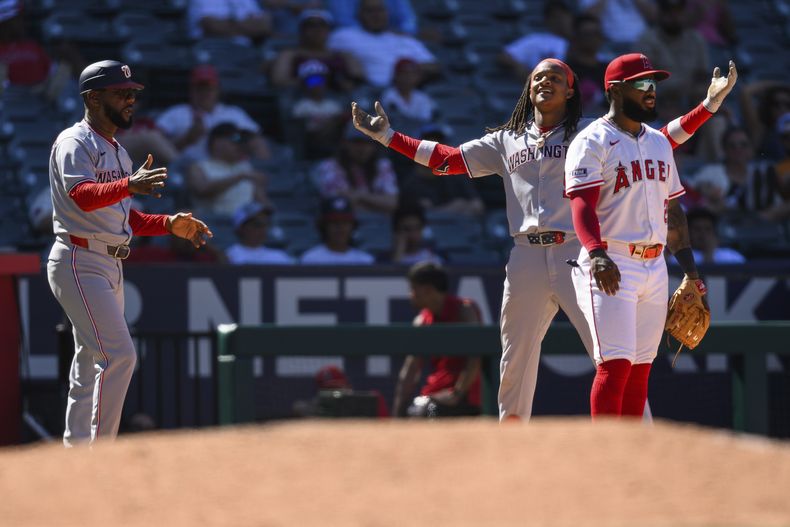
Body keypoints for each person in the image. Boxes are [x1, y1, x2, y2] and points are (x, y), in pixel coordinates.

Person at [351, 55, 737, 420]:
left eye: (555, 77)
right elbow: (447, 160)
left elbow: (661, 139)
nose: (545, 81)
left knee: (617, 356)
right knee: (515, 355)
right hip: (526, 255)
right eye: (538, 76)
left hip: (580, 251)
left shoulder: (592, 131)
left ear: (570, 91)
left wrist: (708, 106)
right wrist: (388, 137)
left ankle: (637, 434)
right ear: (528, 87)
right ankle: (512, 438)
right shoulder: (506, 139)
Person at [47, 60, 213, 446]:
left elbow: (122, 216)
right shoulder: (75, 142)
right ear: (93, 98)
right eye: (121, 93)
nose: (130, 100)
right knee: (119, 356)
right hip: (79, 257)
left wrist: (168, 223)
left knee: (88, 361)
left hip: (108, 260)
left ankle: (78, 452)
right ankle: (100, 452)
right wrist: (128, 185)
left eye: (132, 93)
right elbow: (82, 195)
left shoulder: (119, 151)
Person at [564, 53, 710, 418]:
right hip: (611, 262)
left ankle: (630, 449)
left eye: (653, 84)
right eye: (642, 84)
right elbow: (581, 205)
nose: (651, 91)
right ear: (615, 90)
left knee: (641, 370)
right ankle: (606, 449)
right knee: (614, 367)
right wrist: (597, 253)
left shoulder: (658, 142)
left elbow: (673, 212)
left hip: (655, 265)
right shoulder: (592, 140)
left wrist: (691, 273)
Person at [392, 262, 482, 418]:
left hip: (464, 397)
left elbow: (475, 359)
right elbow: (410, 369)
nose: (410, 295)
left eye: (413, 289)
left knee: (427, 412)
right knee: (418, 412)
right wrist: (397, 414)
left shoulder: (464, 311)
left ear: (428, 290)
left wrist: (457, 394)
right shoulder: (421, 321)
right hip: (433, 396)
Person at [155, 64, 270, 162]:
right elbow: (154, 150)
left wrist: (235, 140)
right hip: (189, 172)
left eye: (209, 88)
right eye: (200, 88)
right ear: (191, 90)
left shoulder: (234, 113)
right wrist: (188, 139)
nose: (204, 93)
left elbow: (257, 141)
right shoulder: (176, 113)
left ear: (218, 90)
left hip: (231, 170)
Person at [327, 0, 439, 88]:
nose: (376, 15)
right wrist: (343, 57)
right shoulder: (344, 36)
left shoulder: (404, 39)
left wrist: (408, 69)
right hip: (370, 91)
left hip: (409, 90)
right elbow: (320, 53)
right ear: (359, 14)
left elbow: (434, 66)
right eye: (370, 11)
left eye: (380, 10)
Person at [691, 127, 787, 220]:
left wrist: (764, 216)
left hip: (762, 225)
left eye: (743, 145)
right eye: (732, 146)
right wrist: (703, 190)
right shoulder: (711, 172)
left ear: (751, 148)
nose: (738, 149)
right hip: (722, 225)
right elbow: (690, 189)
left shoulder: (764, 172)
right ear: (724, 149)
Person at [398, 124, 484, 217]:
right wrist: (452, 208)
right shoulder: (408, 182)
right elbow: (410, 218)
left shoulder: (456, 175)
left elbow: (478, 205)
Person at [187, 122, 270, 218]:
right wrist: (240, 177)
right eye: (235, 140)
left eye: (241, 141)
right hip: (214, 222)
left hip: (246, 222)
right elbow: (202, 190)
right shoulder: (198, 167)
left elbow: (261, 200)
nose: (240, 145)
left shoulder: (245, 166)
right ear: (217, 142)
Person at [636, 0, 710, 106]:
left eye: (678, 12)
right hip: (660, 102)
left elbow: (703, 75)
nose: (674, 17)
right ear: (661, 14)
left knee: (718, 115)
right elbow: (644, 81)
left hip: (693, 99)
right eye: (669, 12)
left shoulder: (696, 39)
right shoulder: (647, 40)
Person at [269, 9, 363, 93]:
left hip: (338, 101)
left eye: (322, 25)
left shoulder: (344, 56)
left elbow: (358, 80)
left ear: (329, 30)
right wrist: (315, 81)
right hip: (300, 101)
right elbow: (279, 81)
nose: (317, 30)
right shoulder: (289, 55)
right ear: (302, 30)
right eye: (311, 25)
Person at [312, 125, 399, 214]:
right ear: (345, 143)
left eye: (368, 143)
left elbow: (392, 203)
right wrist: (376, 201)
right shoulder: (329, 167)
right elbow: (337, 203)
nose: (362, 148)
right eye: (357, 142)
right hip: (344, 220)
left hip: (379, 221)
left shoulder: (383, 166)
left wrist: (360, 196)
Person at [499, 2, 573, 82]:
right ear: (547, 20)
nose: (560, 20)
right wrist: (521, 69)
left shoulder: (579, 39)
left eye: (563, 16)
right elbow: (504, 57)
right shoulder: (536, 40)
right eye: (555, 17)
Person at [291, 59, 346, 160]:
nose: (317, 85)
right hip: (311, 147)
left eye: (320, 80)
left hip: (334, 143)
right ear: (304, 84)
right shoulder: (301, 106)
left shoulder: (334, 105)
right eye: (312, 81)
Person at [300, 196, 375, 264]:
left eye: (345, 222)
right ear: (323, 226)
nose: (340, 227)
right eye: (334, 222)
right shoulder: (310, 259)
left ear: (353, 226)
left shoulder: (365, 260)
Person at [667, 207, 745, 264]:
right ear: (688, 233)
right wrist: (708, 256)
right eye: (697, 229)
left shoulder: (732, 256)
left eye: (707, 229)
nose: (702, 233)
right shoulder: (678, 259)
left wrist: (710, 252)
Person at [226, 201, 295, 265]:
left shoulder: (279, 256)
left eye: (266, 224)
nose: (263, 229)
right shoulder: (229, 257)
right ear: (240, 228)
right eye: (257, 224)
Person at [187, 0, 272, 44]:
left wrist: (230, 25)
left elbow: (264, 26)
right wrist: (249, 27)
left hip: (249, 52)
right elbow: (212, 26)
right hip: (213, 52)